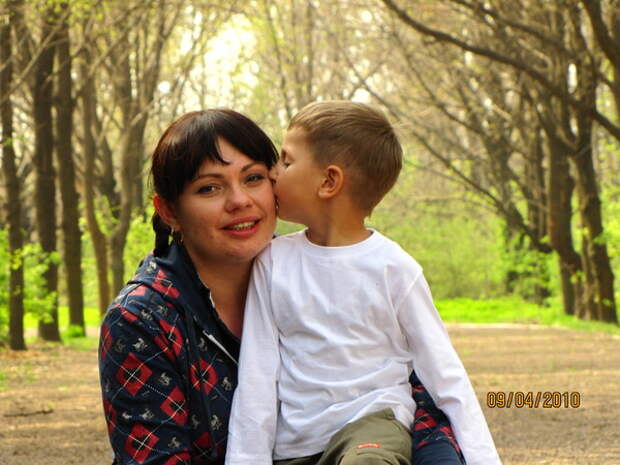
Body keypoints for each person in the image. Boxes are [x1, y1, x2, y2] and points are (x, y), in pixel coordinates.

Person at [99, 108, 466, 465]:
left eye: (254, 178)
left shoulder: (324, 269)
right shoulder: (142, 320)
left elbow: (420, 392)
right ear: (169, 211)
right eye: (209, 188)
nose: (240, 200)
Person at [225, 102, 501, 465]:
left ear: (329, 181)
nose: (273, 173)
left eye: (287, 162)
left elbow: (445, 375)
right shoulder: (273, 262)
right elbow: (257, 375)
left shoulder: (393, 268)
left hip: (373, 426)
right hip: (296, 445)